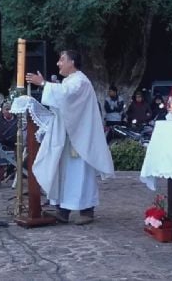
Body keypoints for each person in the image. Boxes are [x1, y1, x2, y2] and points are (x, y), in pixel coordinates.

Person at [25, 50, 114, 225]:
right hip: (67, 136)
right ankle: (63, 210)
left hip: (80, 138)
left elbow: (65, 94)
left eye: (62, 59)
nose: (58, 63)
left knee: (80, 174)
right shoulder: (69, 81)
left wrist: (43, 83)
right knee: (64, 173)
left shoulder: (80, 81)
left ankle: (86, 210)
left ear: (72, 62)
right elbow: (61, 99)